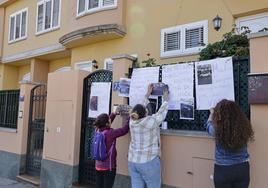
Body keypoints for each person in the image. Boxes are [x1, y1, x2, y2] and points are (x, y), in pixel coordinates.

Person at [205, 99, 254, 188]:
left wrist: (211, 113)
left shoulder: (217, 130)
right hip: (242, 167)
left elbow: (208, 125)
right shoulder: (243, 128)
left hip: (223, 169)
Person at [128, 84, 169, 188]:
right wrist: (165, 100)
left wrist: (147, 95)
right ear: (145, 114)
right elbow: (161, 114)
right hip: (148, 161)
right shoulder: (149, 122)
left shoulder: (132, 121)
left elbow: (139, 109)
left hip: (133, 161)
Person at [93, 109, 129, 188]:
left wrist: (114, 113)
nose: (110, 120)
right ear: (107, 123)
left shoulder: (97, 131)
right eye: (109, 120)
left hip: (98, 166)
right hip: (108, 167)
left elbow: (106, 123)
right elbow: (124, 130)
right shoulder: (110, 133)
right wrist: (130, 118)